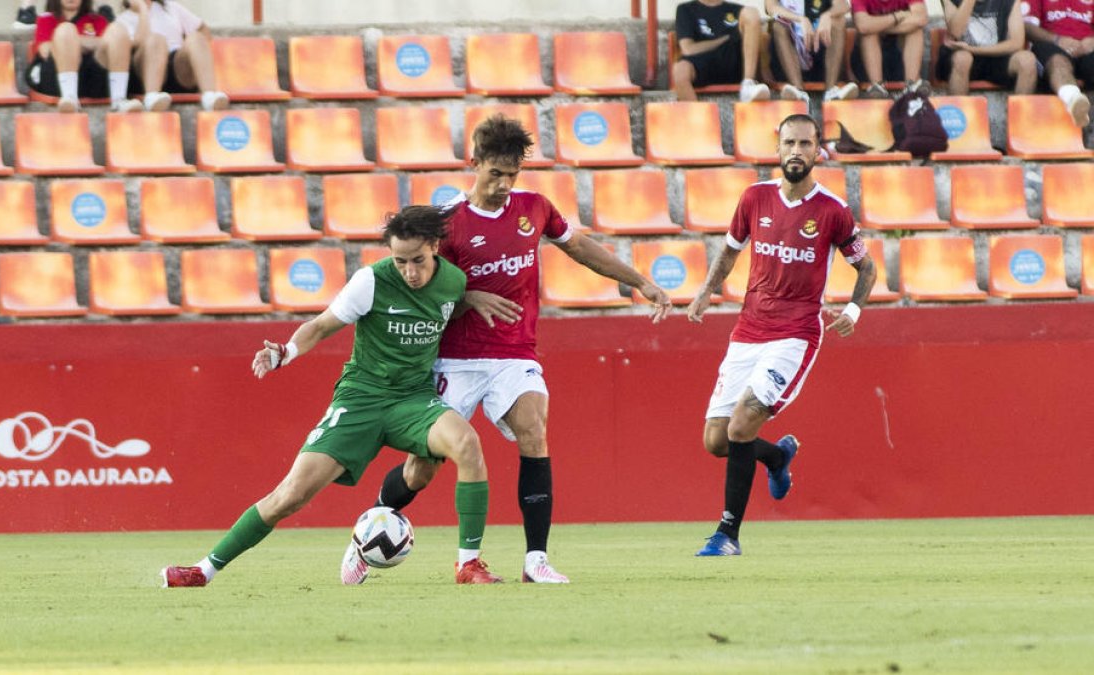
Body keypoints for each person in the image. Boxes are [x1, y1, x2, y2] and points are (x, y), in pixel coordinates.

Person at [339, 114, 674, 586]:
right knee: (422, 468)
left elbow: (579, 247)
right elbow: (422, 296)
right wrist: (469, 298)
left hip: (515, 352)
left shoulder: (534, 208)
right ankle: (370, 528)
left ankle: (535, 560)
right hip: (455, 357)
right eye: (495, 173)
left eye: (511, 175)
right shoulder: (447, 225)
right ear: (473, 163)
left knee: (534, 432)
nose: (503, 185)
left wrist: (640, 281)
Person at [162, 205, 505, 587]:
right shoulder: (370, 281)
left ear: (436, 247)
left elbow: (450, 306)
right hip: (362, 398)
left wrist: (471, 298)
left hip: (413, 398)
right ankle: (203, 570)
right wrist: (284, 352)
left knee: (466, 444)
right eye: (400, 261)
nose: (410, 271)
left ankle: (468, 566)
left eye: (418, 261)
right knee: (290, 495)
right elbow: (322, 325)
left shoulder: (453, 282)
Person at [686, 113, 877, 556]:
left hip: (795, 335)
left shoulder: (832, 211)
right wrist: (705, 293)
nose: (796, 151)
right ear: (778, 148)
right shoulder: (754, 198)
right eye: (788, 143)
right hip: (748, 330)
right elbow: (731, 251)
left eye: (804, 144)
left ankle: (726, 535)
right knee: (716, 440)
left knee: (741, 422)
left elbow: (865, 265)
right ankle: (775, 457)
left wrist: (853, 309)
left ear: (817, 150)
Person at [25, 0, 139, 113]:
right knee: (66, 30)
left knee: (117, 30)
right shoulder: (46, 19)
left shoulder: (97, 20)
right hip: (56, 79)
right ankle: (70, 98)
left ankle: (119, 100)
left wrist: (74, 41)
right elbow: (45, 50)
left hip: (93, 76)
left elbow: (109, 46)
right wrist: (80, 41)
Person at [115, 0, 229, 112]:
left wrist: (189, 48)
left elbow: (203, 29)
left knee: (196, 37)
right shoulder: (122, 20)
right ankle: (152, 97)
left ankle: (210, 96)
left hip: (177, 65)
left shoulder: (171, 7)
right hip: (146, 68)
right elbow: (138, 42)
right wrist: (143, 9)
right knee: (156, 40)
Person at [672, 0, 772, 102]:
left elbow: (760, 38)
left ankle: (748, 84)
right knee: (680, 70)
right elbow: (688, 49)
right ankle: (696, 116)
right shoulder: (685, 9)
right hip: (703, 63)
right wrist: (724, 39)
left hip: (734, 62)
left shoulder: (738, 10)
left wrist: (765, 70)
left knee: (751, 13)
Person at [766, 0, 860, 102]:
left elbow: (844, 5)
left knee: (838, 21)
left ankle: (831, 91)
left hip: (820, 51)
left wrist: (827, 15)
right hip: (788, 53)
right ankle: (798, 91)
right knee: (778, 26)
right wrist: (801, 19)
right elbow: (771, 8)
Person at [938, 0, 1037, 95]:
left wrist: (972, 50)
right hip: (960, 57)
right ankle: (959, 111)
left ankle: (1020, 111)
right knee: (962, 59)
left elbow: (1017, 43)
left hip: (995, 56)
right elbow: (956, 32)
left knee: (1027, 60)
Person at [1023, 0, 1094, 127]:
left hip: (1088, 49)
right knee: (1057, 61)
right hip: (1051, 46)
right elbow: (1027, 27)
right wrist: (1056, 40)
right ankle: (1073, 100)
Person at [851, 0, 929, 98]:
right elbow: (862, 26)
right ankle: (877, 87)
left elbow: (920, 19)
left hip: (898, 56)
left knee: (915, 31)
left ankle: (912, 84)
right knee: (869, 35)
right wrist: (896, 17)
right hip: (865, 61)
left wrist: (877, 26)